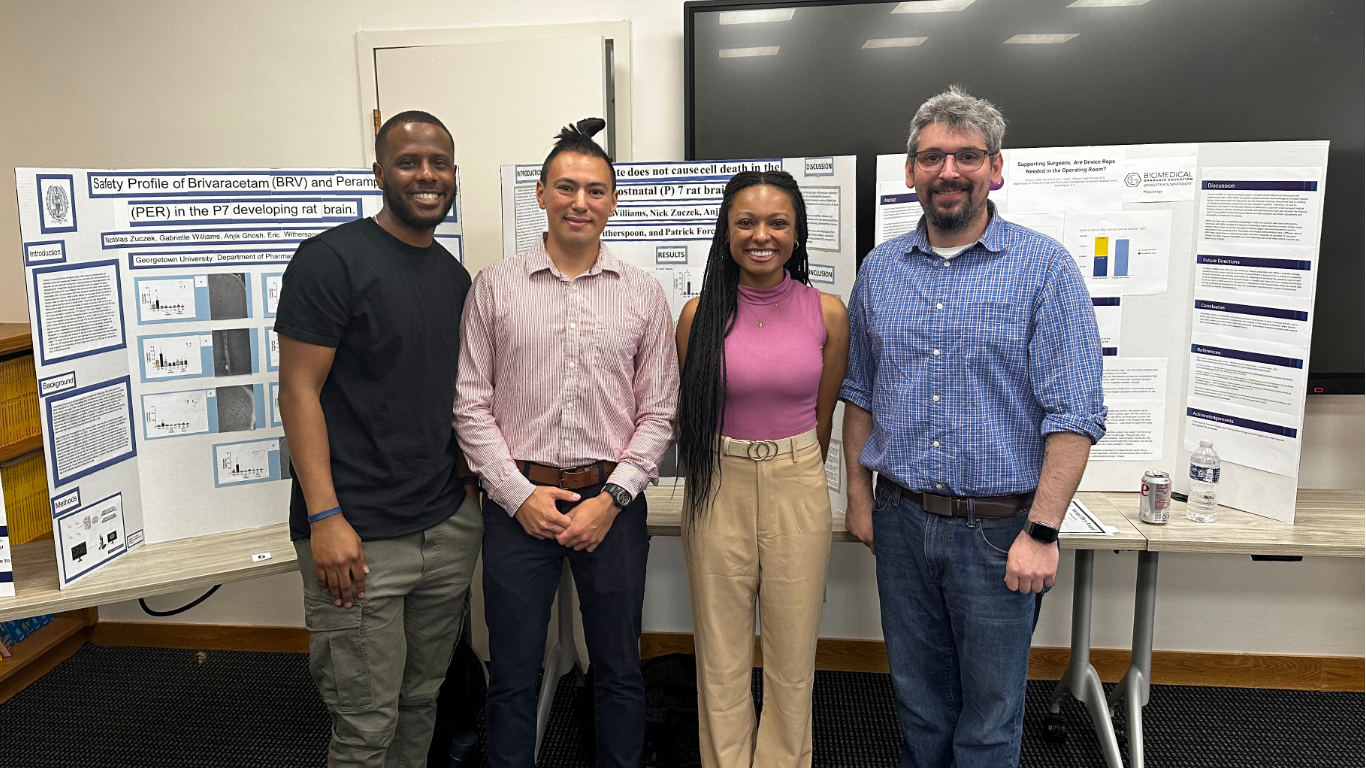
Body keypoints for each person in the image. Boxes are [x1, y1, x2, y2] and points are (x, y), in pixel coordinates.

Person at [840, 86, 1107, 768]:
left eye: (967, 156)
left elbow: (1075, 415)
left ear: (996, 166)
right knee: (919, 704)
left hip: (1001, 532)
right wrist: (861, 498)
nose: (948, 171)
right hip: (900, 521)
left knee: (989, 716)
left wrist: (1042, 532)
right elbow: (860, 394)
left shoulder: (1044, 268)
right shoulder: (879, 271)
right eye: (932, 156)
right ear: (909, 171)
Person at [453, 118, 679, 768]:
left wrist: (611, 498)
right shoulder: (495, 287)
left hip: (612, 505)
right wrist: (518, 495)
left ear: (613, 201)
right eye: (567, 187)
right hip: (517, 506)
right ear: (542, 195)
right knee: (515, 672)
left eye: (596, 190)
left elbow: (659, 412)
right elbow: (470, 405)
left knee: (617, 669)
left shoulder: (642, 294)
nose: (581, 202)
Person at [276, 110, 483, 768]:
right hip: (358, 537)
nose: (426, 174)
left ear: (453, 175)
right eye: (409, 161)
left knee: (422, 701)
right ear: (379, 173)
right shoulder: (330, 261)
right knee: (366, 724)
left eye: (439, 162)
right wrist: (326, 517)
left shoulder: (453, 278)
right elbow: (298, 391)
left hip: (444, 527)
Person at [675, 171, 849, 768]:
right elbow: (692, 414)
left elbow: (823, 418)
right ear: (727, 233)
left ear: (797, 235)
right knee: (720, 657)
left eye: (777, 223)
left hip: (797, 480)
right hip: (717, 485)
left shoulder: (827, 313)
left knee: (792, 657)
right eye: (746, 222)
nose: (761, 236)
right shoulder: (698, 315)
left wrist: (789, 468)